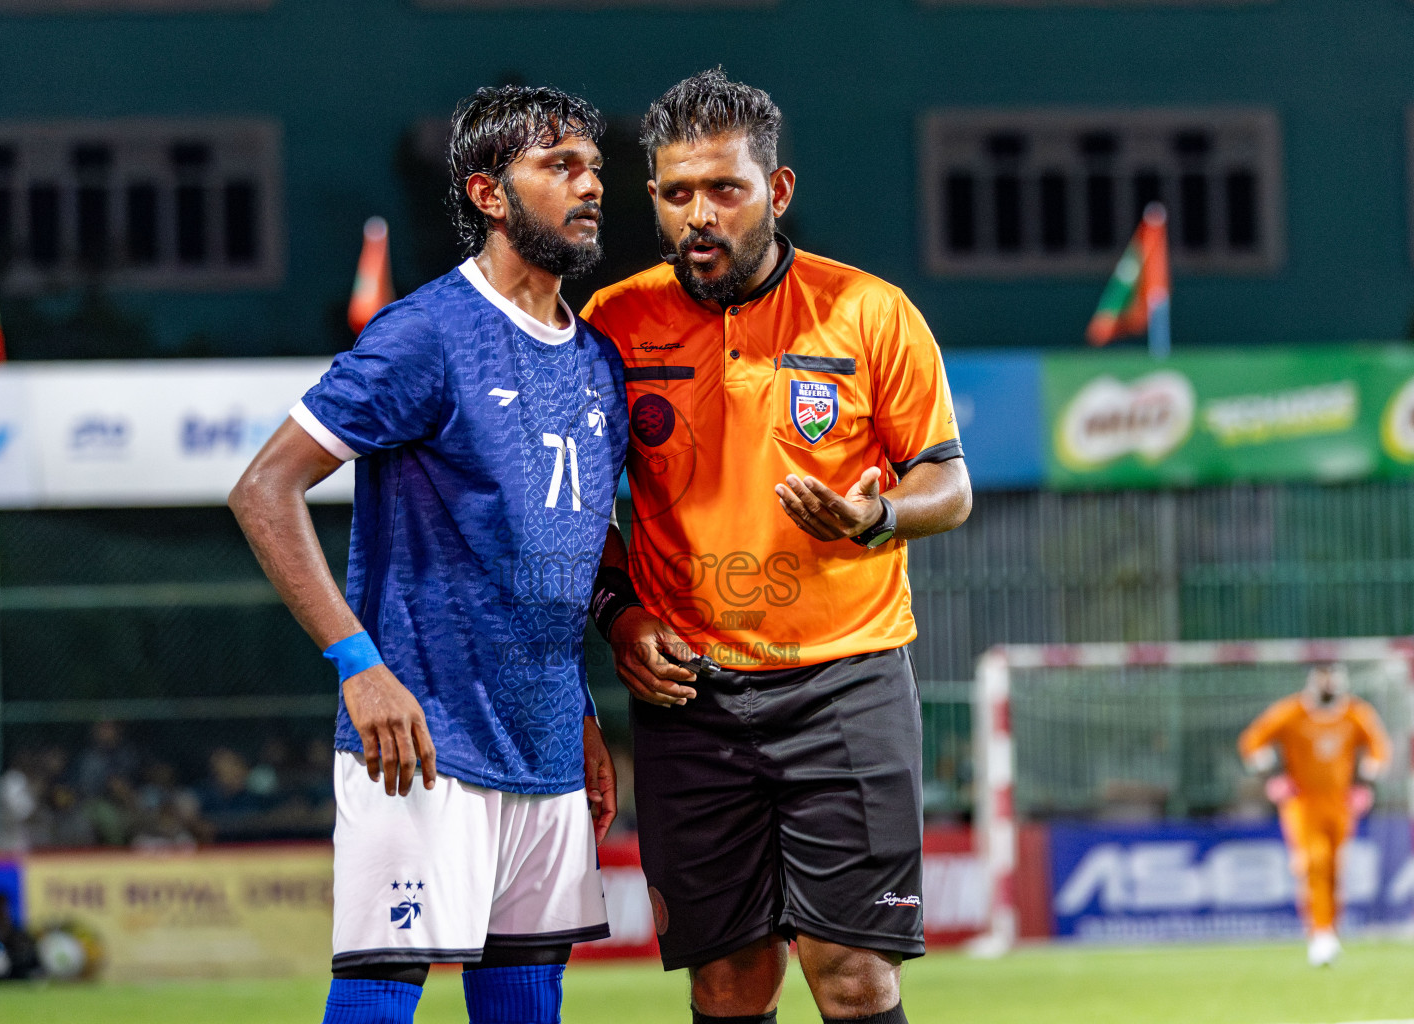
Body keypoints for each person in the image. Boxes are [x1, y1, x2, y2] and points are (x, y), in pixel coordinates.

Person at [230, 84, 628, 1024]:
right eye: (560, 166)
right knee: (378, 998)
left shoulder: (598, 361)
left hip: (545, 745)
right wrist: (358, 664)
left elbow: (569, 536)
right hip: (421, 739)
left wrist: (578, 711)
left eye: (595, 168)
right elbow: (264, 490)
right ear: (490, 194)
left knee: (527, 1004)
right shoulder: (427, 335)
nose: (591, 187)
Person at [582, 69, 971, 1024]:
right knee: (729, 982)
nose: (699, 215)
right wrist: (619, 616)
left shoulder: (871, 313)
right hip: (691, 695)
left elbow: (948, 486)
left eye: (725, 188)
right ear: (654, 202)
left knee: (850, 974)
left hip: (845, 682)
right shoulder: (610, 326)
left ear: (778, 191)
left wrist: (874, 517)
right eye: (677, 194)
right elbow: (577, 515)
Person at [1238, 662, 1391, 966]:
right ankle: (1319, 932)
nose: (1328, 684)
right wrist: (1272, 776)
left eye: (1332, 677)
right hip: (1302, 802)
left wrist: (1365, 783)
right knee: (1313, 861)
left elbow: (1379, 748)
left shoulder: (1355, 713)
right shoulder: (1291, 712)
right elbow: (1252, 742)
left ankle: (1331, 930)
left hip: (1340, 803)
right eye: (1322, 677)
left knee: (1335, 865)